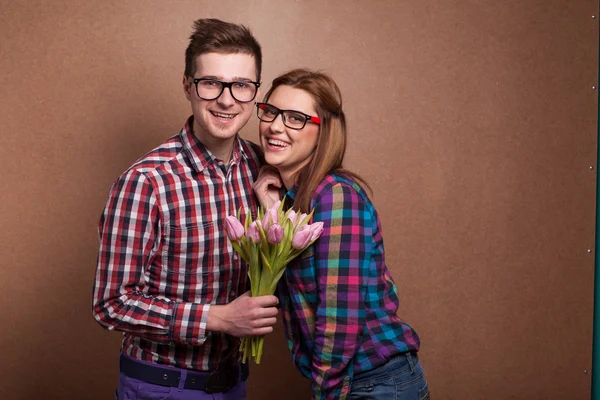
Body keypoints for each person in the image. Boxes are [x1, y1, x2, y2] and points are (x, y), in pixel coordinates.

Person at [92, 18, 279, 400]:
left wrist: (273, 212)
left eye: (241, 85)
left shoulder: (261, 167)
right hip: (161, 387)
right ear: (187, 86)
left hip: (233, 384)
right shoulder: (147, 181)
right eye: (211, 83)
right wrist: (217, 317)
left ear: (255, 93)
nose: (227, 100)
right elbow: (111, 303)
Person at [253, 69, 429, 400]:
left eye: (295, 118)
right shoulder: (293, 202)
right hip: (357, 382)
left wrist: (326, 392)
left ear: (323, 134)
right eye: (271, 112)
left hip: (376, 384)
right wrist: (273, 212)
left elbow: (340, 319)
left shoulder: (335, 197)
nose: (275, 126)